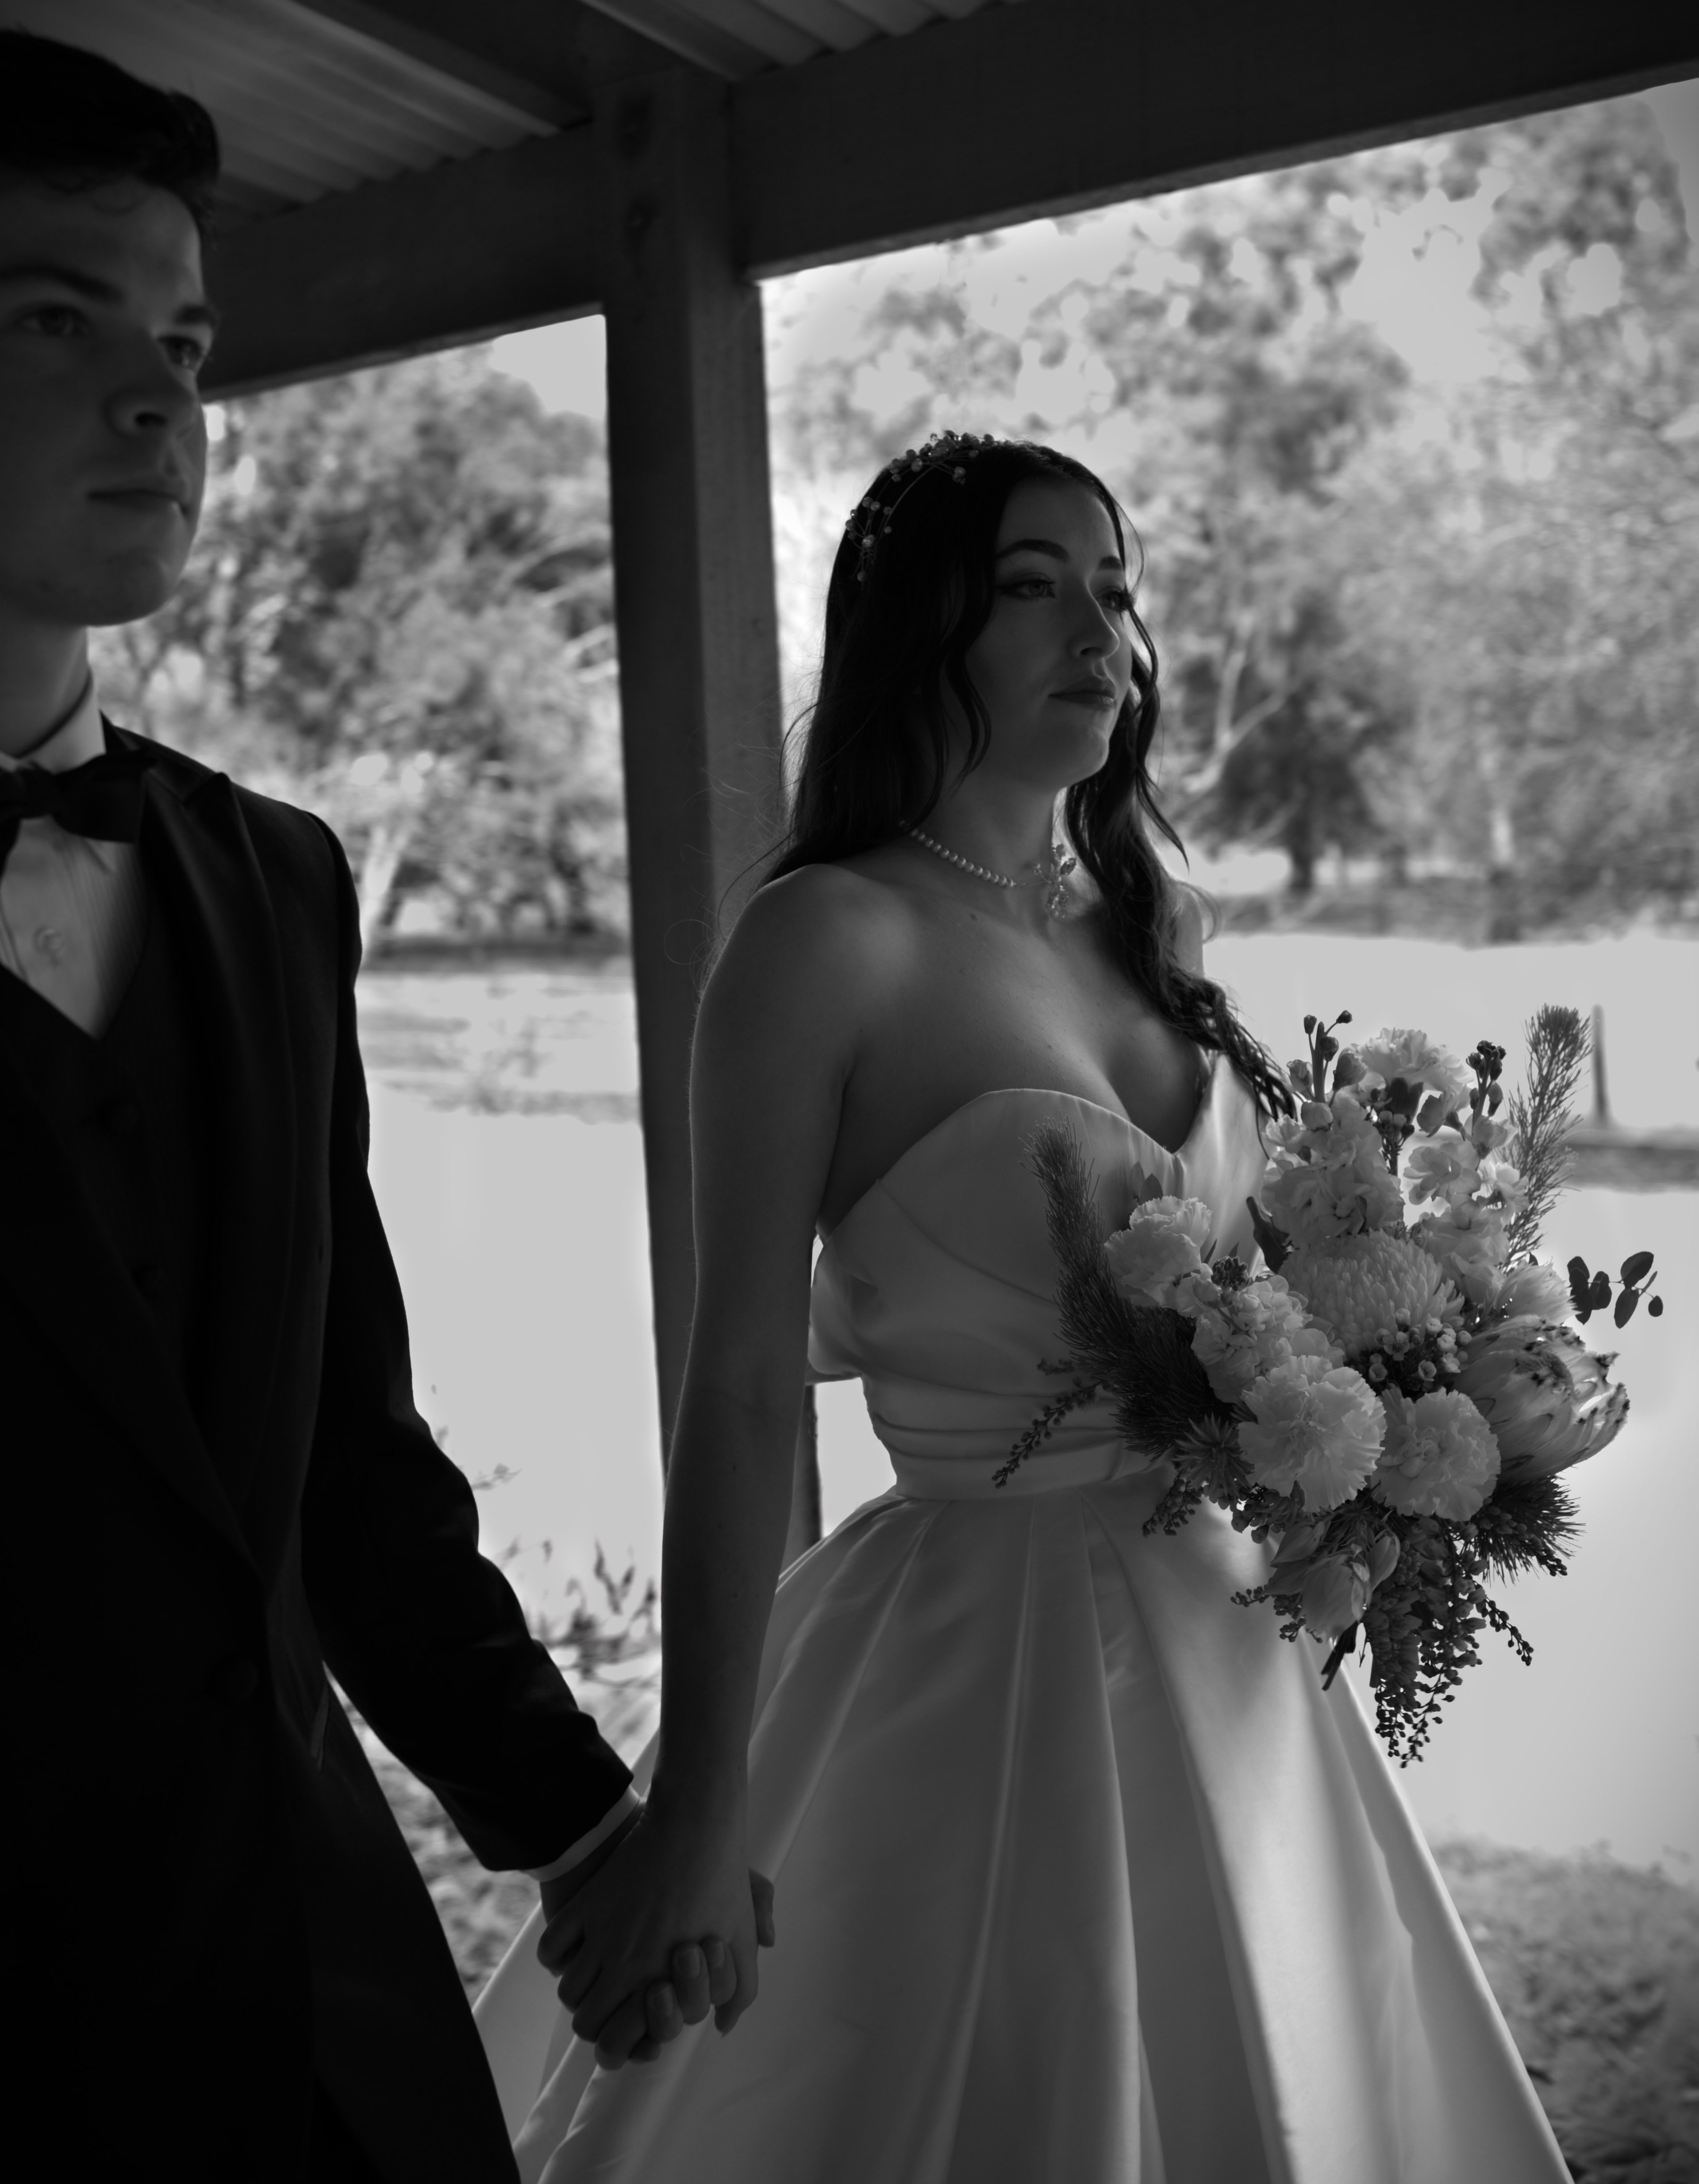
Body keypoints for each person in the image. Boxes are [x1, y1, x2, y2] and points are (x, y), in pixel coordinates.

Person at [477, 431, 1572, 2182]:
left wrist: (1406, 1404)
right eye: (1031, 587)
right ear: (922, 631)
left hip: (1232, 1647)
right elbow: (740, 1381)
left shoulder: (1158, 926)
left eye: (1117, 593)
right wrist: (698, 1804)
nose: (1098, 634)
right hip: (966, 1649)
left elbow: (1247, 1292)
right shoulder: (824, 941)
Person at [1, 33, 767, 2182]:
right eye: (54, 321)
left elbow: (342, 1453)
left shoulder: (275, 885)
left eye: (182, 342)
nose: (160, 403)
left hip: (303, 1995)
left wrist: (589, 1830)